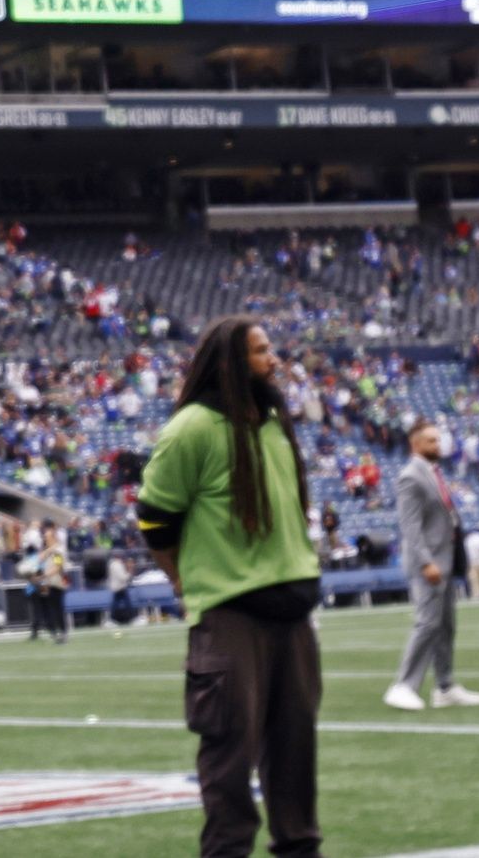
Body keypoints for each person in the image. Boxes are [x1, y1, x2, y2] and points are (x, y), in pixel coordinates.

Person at [137, 316, 323, 858]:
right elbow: (154, 518)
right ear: (228, 363)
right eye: (262, 351)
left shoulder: (273, 421)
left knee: (295, 754)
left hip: (293, 613)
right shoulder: (191, 428)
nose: (274, 360)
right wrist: (180, 578)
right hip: (230, 616)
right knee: (229, 759)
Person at [385, 419, 479, 710]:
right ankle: (403, 685)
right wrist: (426, 562)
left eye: (438, 440)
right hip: (428, 564)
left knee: (445, 627)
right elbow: (410, 527)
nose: (437, 445)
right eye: (431, 441)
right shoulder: (410, 477)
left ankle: (445, 686)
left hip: (445, 560)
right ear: (415, 444)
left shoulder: (432, 472)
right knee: (427, 624)